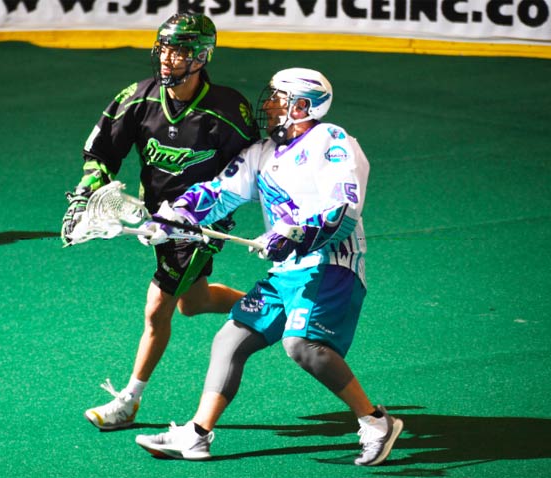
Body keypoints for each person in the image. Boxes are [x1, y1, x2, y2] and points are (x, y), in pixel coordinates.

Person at [134, 68, 403, 466]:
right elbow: (218, 192)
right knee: (230, 340)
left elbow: (344, 208)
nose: (269, 104)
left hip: (330, 263)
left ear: (303, 106)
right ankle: (197, 435)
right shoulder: (263, 152)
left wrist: (294, 233)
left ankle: (376, 422)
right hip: (287, 270)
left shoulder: (332, 141)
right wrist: (174, 217)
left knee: (302, 344)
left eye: (279, 98)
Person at [60, 13, 259, 431]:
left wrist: (204, 214)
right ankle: (274, 309)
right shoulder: (140, 97)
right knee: (193, 302)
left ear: (202, 56)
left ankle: (128, 401)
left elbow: (250, 171)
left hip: (198, 227)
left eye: (181, 50)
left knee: (157, 309)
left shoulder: (228, 111)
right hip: (155, 221)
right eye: (165, 48)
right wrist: (89, 184)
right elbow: (101, 152)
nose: (169, 58)